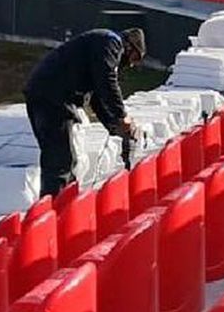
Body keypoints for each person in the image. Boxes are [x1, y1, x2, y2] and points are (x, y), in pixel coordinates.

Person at [23, 27, 146, 197]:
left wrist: (113, 126)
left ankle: (63, 204)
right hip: (53, 96)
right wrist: (121, 116)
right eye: (134, 58)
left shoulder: (100, 46)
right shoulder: (110, 43)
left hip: (48, 94)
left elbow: (97, 97)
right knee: (60, 160)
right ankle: (54, 211)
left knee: (63, 157)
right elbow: (107, 83)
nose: (131, 64)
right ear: (130, 46)